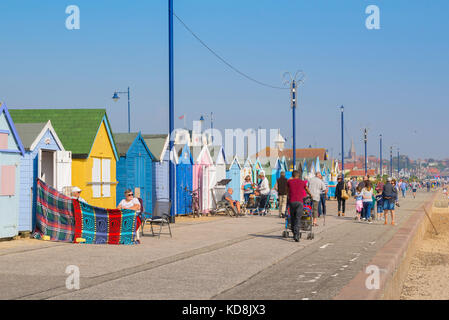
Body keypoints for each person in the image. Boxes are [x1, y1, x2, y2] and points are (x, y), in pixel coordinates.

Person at [287, 170, 312, 242]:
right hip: (300, 202)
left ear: (292, 175)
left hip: (292, 202)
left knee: (292, 218)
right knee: (298, 218)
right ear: (298, 175)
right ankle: (297, 235)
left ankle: (294, 232)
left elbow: (287, 190)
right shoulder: (302, 182)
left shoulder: (289, 182)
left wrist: (288, 195)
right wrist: (311, 195)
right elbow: (306, 189)